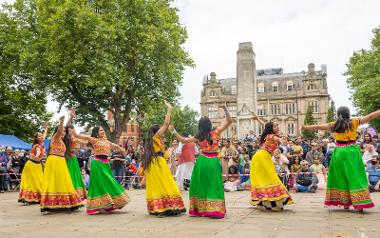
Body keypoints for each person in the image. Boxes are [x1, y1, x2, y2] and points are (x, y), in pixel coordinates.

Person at [302, 106, 380, 211]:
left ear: (338, 114)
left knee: (341, 176)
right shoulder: (354, 122)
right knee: (355, 175)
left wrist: (305, 127)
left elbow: (318, 126)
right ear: (348, 113)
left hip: (339, 152)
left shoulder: (334, 124)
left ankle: (345, 203)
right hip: (351, 151)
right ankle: (359, 203)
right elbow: (370, 116)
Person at [170, 104, 233, 218]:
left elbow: (184, 141)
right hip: (213, 160)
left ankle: (200, 208)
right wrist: (225, 109)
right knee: (213, 183)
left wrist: (174, 131)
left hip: (202, 161)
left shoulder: (198, 136)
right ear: (209, 124)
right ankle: (214, 209)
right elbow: (229, 121)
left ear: (200, 126)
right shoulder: (216, 132)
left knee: (200, 184)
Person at [141, 102, 186, 216]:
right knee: (166, 183)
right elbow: (166, 124)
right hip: (158, 163)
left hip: (153, 163)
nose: (163, 132)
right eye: (161, 130)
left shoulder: (151, 140)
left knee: (157, 185)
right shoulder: (156, 136)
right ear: (157, 131)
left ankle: (157, 207)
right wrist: (169, 109)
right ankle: (167, 206)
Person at [74, 126, 129, 214]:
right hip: (97, 164)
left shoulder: (107, 141)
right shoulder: (94, 140)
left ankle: (109, 204)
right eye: (101, 130)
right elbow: (80, 136)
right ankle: (99, 207)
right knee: (99, 184)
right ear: (96, 133)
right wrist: (72, 129)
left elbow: (115, 146)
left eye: (103, 130)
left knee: (109, 182)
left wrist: (122, 150)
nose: (103, 131)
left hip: (106, 164)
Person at [249, 113, 294, 210]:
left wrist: (257, 118)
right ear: (271, 128)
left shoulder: (269, 134)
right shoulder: (271, 136)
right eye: (275, 126)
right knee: (270, 178)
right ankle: (272, 201)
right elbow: (276, 138)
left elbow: (265, 124)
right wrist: (282, 140)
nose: (277, 127)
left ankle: (265, 202)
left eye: (277, 125)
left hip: (260, 156)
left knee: (263, 179)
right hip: (262, 156)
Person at [40, 116, 82, 212]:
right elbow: (59, 131)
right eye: (62, 131)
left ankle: (62, 202)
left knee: (63, 181)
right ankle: (51, 203)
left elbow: (67, 129)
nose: (63, 133)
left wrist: (70, 118)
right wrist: (61, 123)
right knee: (54, 181)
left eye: (64, 131)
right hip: (54, 161)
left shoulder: (63, 141)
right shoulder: (56, 137)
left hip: (61, 161)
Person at [18, 123, 48, 204]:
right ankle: (28, 198)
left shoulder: (41, 143)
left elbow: (44, 135)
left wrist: (46, 128)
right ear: (36, 138)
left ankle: (37, 197)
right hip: (31, 165)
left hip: (37, 165)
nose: (41, 137)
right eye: (39, 136)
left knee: (39, 181)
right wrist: (37, 155)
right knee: (32, 182)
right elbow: (37, 153)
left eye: (41, 136)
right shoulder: (37, 146)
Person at [64, 109, 87, 200]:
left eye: (73, 129)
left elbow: (84, 142)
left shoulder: (75, 137)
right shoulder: (66, 136)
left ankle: (75, 196)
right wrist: (71, 117)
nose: (72, 131)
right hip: (67, 159)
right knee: (69, 176)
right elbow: (66, 126)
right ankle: (69, 195)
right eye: (71, 129)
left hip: (73, 159)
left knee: (75, 177)